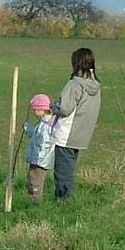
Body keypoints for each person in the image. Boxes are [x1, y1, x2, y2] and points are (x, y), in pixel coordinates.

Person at [50, 47, 101, 201]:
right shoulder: (96, 86)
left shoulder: (74, 84)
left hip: (66, 134)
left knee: (63, 172)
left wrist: (52, 107)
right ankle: (65, 201)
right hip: (82, 134)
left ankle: (64, 203)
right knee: (69, 169)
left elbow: (65, 109)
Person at [23, 94, 56, 203]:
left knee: (35, 182)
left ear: (42, 109)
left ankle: (35, 202)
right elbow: (36, 136)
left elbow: (44, 143)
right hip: (37, 159)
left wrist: (38, 159)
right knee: (32, 179)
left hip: (39, 161)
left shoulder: (47, 125)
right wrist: (27, 129)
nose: (34, 112)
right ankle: (32, 199)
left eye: (35, 109)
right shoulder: (43, 123)